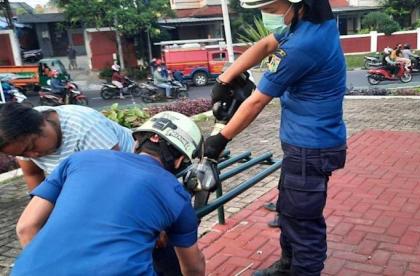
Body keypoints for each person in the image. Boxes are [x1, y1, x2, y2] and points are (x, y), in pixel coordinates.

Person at [204, 0, 347, 274]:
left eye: (271, 10)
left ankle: (302, 269)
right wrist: (225, 79)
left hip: (310, 149)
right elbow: (266, 45)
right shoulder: (312, 24)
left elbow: (257, 101)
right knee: (288, 211)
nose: (268, 16)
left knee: (303, 224)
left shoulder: (302, 46)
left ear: (297, 4)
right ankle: (286, 265)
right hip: (305, 146)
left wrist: (220, 139)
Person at [11, 111, 206, 276]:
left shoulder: (78, 160)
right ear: (180, 161)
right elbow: (192, 267)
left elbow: (25, 227)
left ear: (136, 143)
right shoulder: (177, 195)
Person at [0, 103, 134, 192]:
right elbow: (32, 174)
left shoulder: (87, 128)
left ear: (41, 123)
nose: (33, 155)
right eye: (24, 154)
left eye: (32, 146)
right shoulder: (17, 137)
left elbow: (113, 180)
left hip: (129, 170)